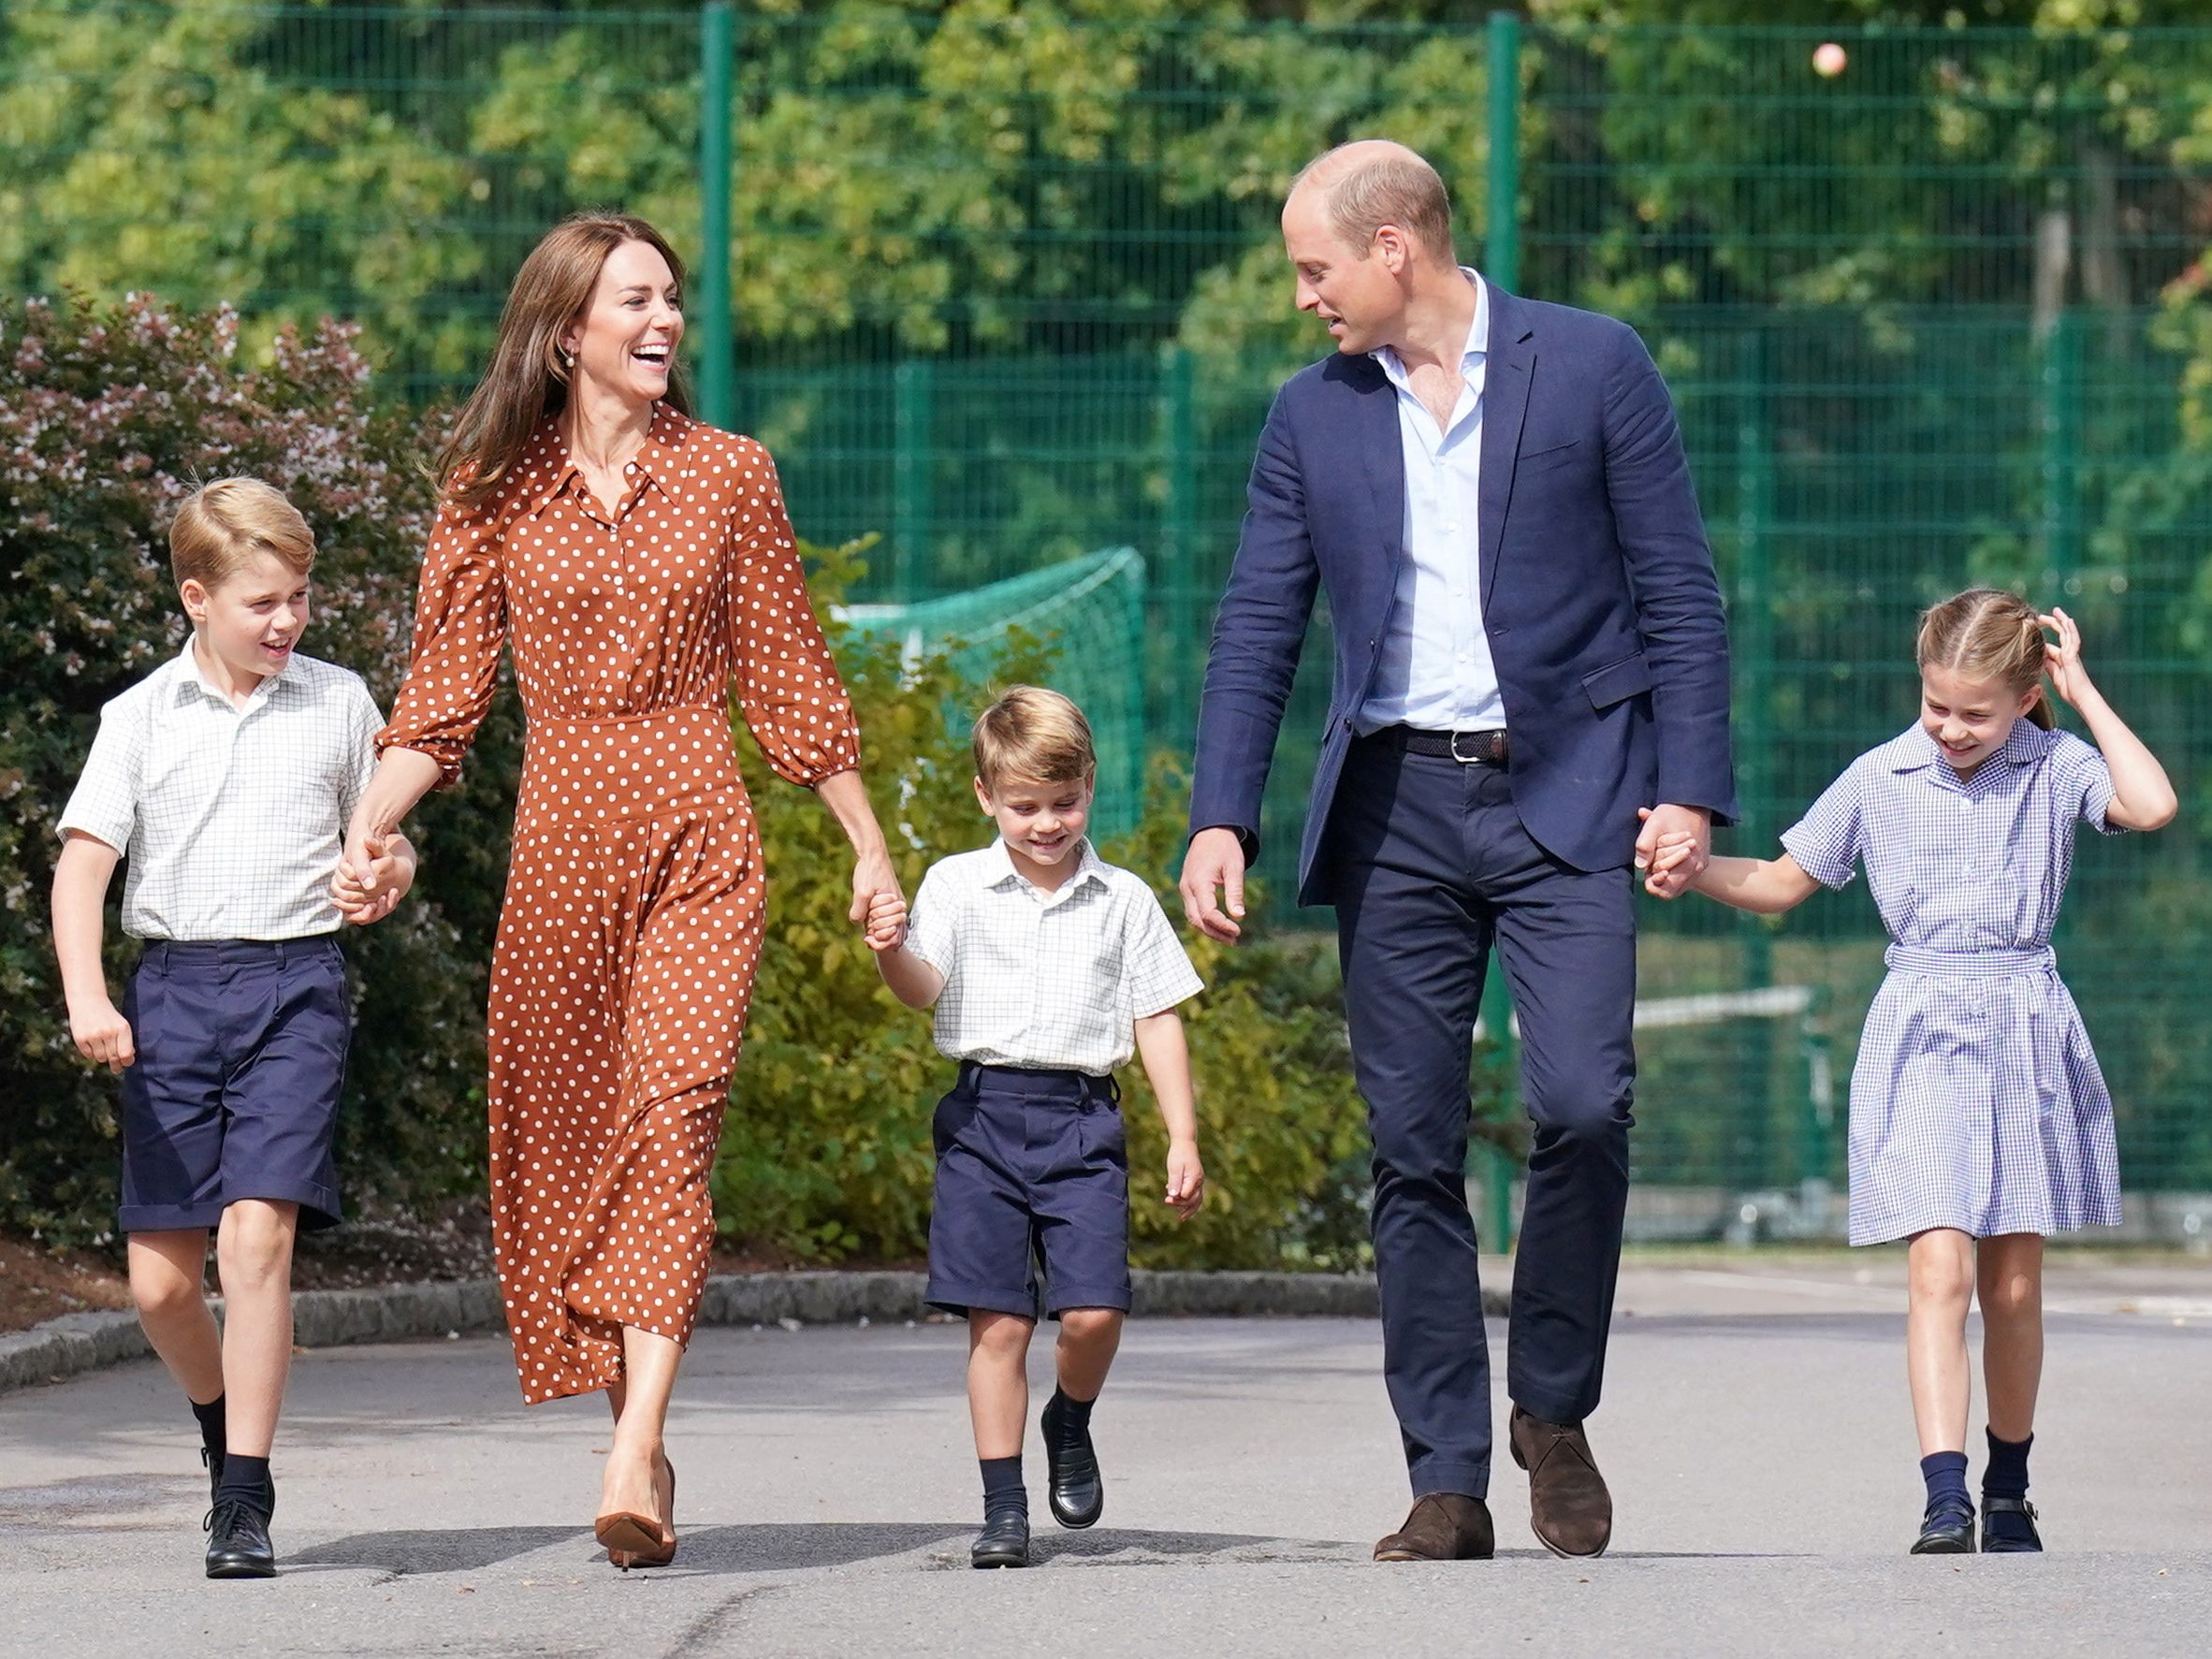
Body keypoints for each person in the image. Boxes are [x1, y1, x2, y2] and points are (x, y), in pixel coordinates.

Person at [1179, 139, 1736, 1562]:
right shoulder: (1313, 416)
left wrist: (1690, 791)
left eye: (1315, 268)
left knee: (1586, 1104)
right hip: (1397, 814)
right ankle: (1446, 1474)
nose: (1304, 298)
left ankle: (1552, 1405)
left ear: (1393, 250)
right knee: (1411, 1147)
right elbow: (1259, 619)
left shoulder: (1595, 365)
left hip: (1571, 797)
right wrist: (1221, 812)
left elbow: (1680, 591)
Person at [342, 211, 900, 1568]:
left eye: (673, 302)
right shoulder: (490, 493)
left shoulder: (728, 475)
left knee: (678, 1114)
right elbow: (441, 699)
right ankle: (637, 1426)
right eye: (636, 301)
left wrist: (869, 844)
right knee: (583, 1144)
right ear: (564, 328)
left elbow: (786, 671)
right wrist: (369, 830)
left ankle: (632, 1439)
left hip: (698, 830)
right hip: (560, 846)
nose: (664, 324)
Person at [1647, 590, 2175, 1555]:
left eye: (1976, 712)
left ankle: (2010, 1484)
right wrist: (1697, 870)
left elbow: (2151, 804)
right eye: (1938, 706)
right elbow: (1779, 881)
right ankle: (1945, 1495)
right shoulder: (1880, 775)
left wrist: (2083, 690)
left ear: (2023, 697)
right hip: (1922, 1030)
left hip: (2023, 1027)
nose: (1952, 728)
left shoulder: (2056, 767)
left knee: (2011, 1285)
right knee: (1939, 1268)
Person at [51, 477, 416, 1579]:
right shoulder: (140, 717)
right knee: (161, 1282)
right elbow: (81, 873)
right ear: (197, 598)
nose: (287, 620)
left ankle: (245, 1501)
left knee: (258, 1234)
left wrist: (387, 869)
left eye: (299, 597)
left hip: (298, 988)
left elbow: (385, 843)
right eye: (264, 601)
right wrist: (87, 995)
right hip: (171, 995)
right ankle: (221, 1431)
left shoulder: (341, 703)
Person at [866, 686, 1205, 1569]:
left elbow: (1158, 1016)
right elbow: (923, 989)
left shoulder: (1123, 899)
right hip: (982, 1118)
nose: (1046, 822)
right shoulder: (954, 884)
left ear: (1088, 785)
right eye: (1024, 806)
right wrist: (887, 949)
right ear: (987, 797)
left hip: (1082, 1121)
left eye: (1063, 802)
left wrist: (1182, 1136)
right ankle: (1004, 1507)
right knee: (1001, 1323)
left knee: (1093, 1311)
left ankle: (1071, 1416)